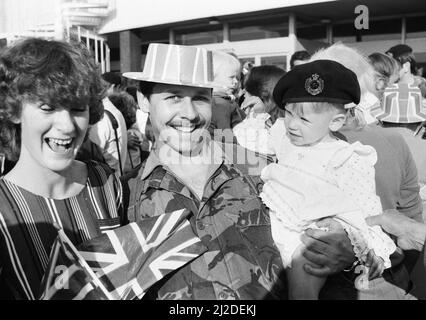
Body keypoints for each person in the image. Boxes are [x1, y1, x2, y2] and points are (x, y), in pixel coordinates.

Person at [122, 43, 286, 300]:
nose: (188, 113)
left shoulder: (259, 167)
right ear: (144, 101)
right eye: (173, 97)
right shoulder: (126, 193)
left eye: (199, 97)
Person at [247, 60, 396, 299]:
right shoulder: (283, 135)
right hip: (278, 223)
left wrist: (372, 250)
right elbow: (248, 144)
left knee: (302, 279)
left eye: (304, 120)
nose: (292, 125)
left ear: (336, 122)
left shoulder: (346, 158)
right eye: (288, 113)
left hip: (313, 234)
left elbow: (367, 211)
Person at [0, 38, 123, 299]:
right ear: (13, 111)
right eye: (48, 107)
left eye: (78, 108)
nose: (67, 125)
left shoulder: (106, 183)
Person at [311, 44, 423, 299]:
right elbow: (411, 221)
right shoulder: (394, 142)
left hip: (321, 281)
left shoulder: (301, 143)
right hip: (388, 277)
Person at [86, 72, 128, 176]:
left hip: (105, 183)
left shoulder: (101, 116)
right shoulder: (112, 110)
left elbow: (90, 156)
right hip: (111, 180)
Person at [209, 50, 246, 138]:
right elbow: (224, 136)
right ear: (214, 78)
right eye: (231, 77)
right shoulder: (220, 104)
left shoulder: (219, 101)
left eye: (237, 77)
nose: (236, 82)